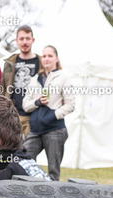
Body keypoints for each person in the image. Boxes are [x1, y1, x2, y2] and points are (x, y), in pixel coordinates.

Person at [22, 45, 75, 181]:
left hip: (54, 130)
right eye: (44, 56)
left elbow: (70, 105)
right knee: (23, 160)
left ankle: (53, 193)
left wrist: (52, 115)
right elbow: (25, 105)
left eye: (50, 56)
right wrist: (37, 102)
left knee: (53, 172)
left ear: (56, 59)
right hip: (35, 130)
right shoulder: (34, 79)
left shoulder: (64, 77)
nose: (46, 59)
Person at [1, 25, 41, 137]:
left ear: (33, 40)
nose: (25, 42)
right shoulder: (9, 62)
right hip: (12, 115)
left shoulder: (41, 62)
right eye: (21, 39)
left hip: (34, 116)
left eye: (28, 38)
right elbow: (3, 88)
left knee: (29, 147)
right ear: (17, 41)